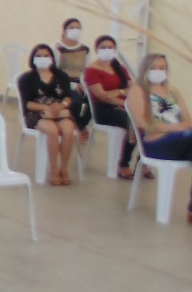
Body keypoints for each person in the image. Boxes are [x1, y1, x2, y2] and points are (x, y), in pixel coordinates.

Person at [127, 54, 192, 222]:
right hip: (156, 143)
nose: (158, 71)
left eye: (162, 68)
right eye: (154, 68)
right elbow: (142, 123)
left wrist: (179, 127)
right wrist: (174, 127)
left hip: (181, 140)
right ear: (145, 70)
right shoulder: (138, 90)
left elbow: (188, 120)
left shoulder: (173, 91)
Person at [17, 44, 78, 186]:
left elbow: (68, 97)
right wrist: (46, 108)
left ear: (52, 58)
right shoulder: (26, 78)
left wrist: (61, 106)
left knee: (68, 130)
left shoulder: (61, 76)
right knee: (52, 130)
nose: (42, 58)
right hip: (36, 113)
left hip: (59, 111)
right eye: (39, 56)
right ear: (33, 59)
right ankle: (53, 169)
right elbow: (27, 103)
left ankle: (64, 168)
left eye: (46, 56)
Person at [83, 35, 138, 179]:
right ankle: (124, 164)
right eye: (103, 47)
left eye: (110, 47)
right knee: (132, 122)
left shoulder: (120, 68)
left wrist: (118, 93)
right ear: (96, 49)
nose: (107, 50)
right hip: (103, 109)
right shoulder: (91, 70)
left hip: (124, 106)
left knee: (145, 121)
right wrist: (123, 97)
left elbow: (132, 89)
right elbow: (102, 96)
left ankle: (141, 162)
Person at [55, 17, 92, 137]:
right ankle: (71, 126)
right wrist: (73, 86)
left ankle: (80, 125)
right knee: (75, 101)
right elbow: (55, 72)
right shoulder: (57, 48)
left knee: (94, 101)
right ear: (64, 30)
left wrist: (83, 84)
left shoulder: (85, 49)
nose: (75, 30)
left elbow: (86, 70)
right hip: (62, 84)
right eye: (72, 28)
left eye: (78, 28)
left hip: (80, 83)